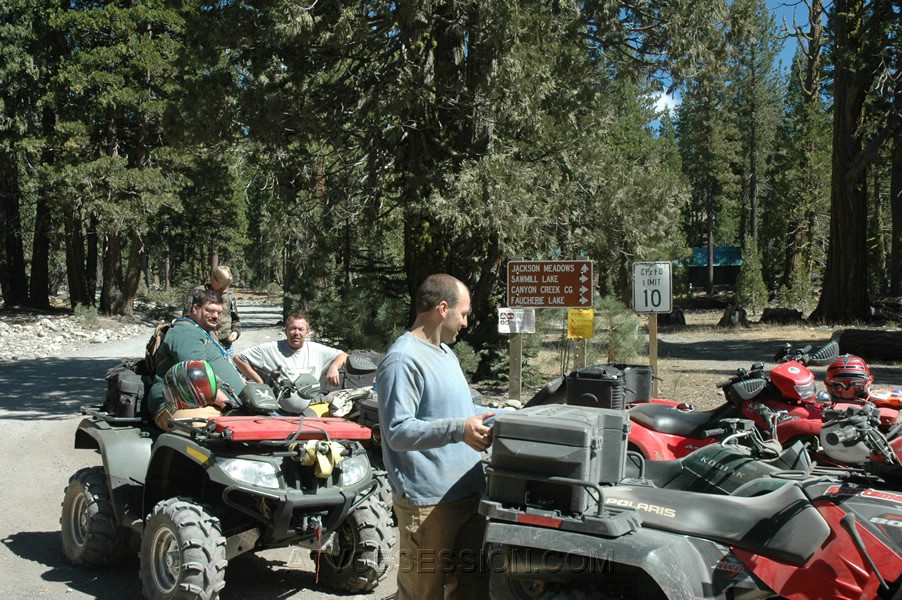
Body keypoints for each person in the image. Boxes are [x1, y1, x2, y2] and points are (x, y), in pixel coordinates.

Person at [377, 273, 495, 600]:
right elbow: (398, 431)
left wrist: (507, 416)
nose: (466, 323)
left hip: (469, 495)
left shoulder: (445, 353)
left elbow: (462, 409)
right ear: (443, 309)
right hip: (428, 504)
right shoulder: (402, 359)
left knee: (471, 590)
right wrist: (459, 429)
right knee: (422, 593)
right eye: (464, 314)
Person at [149, 288, 246, 430]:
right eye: (210, 311)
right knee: (219, 431)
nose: (216, 316)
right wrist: (231, 406)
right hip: (182, 405)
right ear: (195, 309)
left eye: (219, 313)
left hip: (212, 404)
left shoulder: (204, 332)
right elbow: (198, 380)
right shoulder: (185, 333)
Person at [233, 312, 348, 387]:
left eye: (301, 329)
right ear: (285, 331)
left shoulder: (317, 350)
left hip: (309, 405)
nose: (296, 333)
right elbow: (239, 358)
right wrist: (259, 381)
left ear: (307, 333)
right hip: (277, 409)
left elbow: (343, 355)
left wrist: (333, 367)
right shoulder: (271, 349)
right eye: (293, 329)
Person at [185, 265, 241, 352]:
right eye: (221, 286)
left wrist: (235, 332)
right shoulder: (198, 292)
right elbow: (186, 317)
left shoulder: (229, 296)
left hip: (225, 344)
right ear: (212, 280)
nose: (224, 289)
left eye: (226, 286)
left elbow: (235, 319)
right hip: (202, 342)